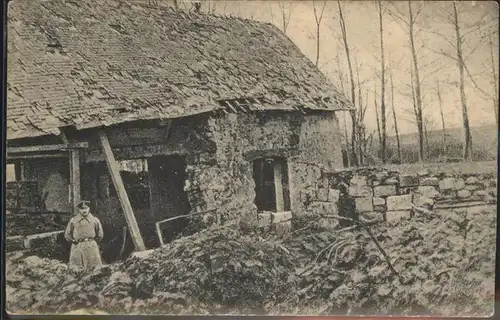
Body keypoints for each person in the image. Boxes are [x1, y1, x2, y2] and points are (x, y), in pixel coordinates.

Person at [64, 200, 104, 270]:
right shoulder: (73, 220)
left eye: (86, 208)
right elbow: (67, 235)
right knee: (76, 269)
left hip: (91, 247)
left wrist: (93, 242)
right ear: (79, 209)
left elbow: (100, 235)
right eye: (82, 209)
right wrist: (73, 241)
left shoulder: (95, 220)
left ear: (89, 208)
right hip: (77, 247)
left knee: (94, 269)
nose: (84, 210)